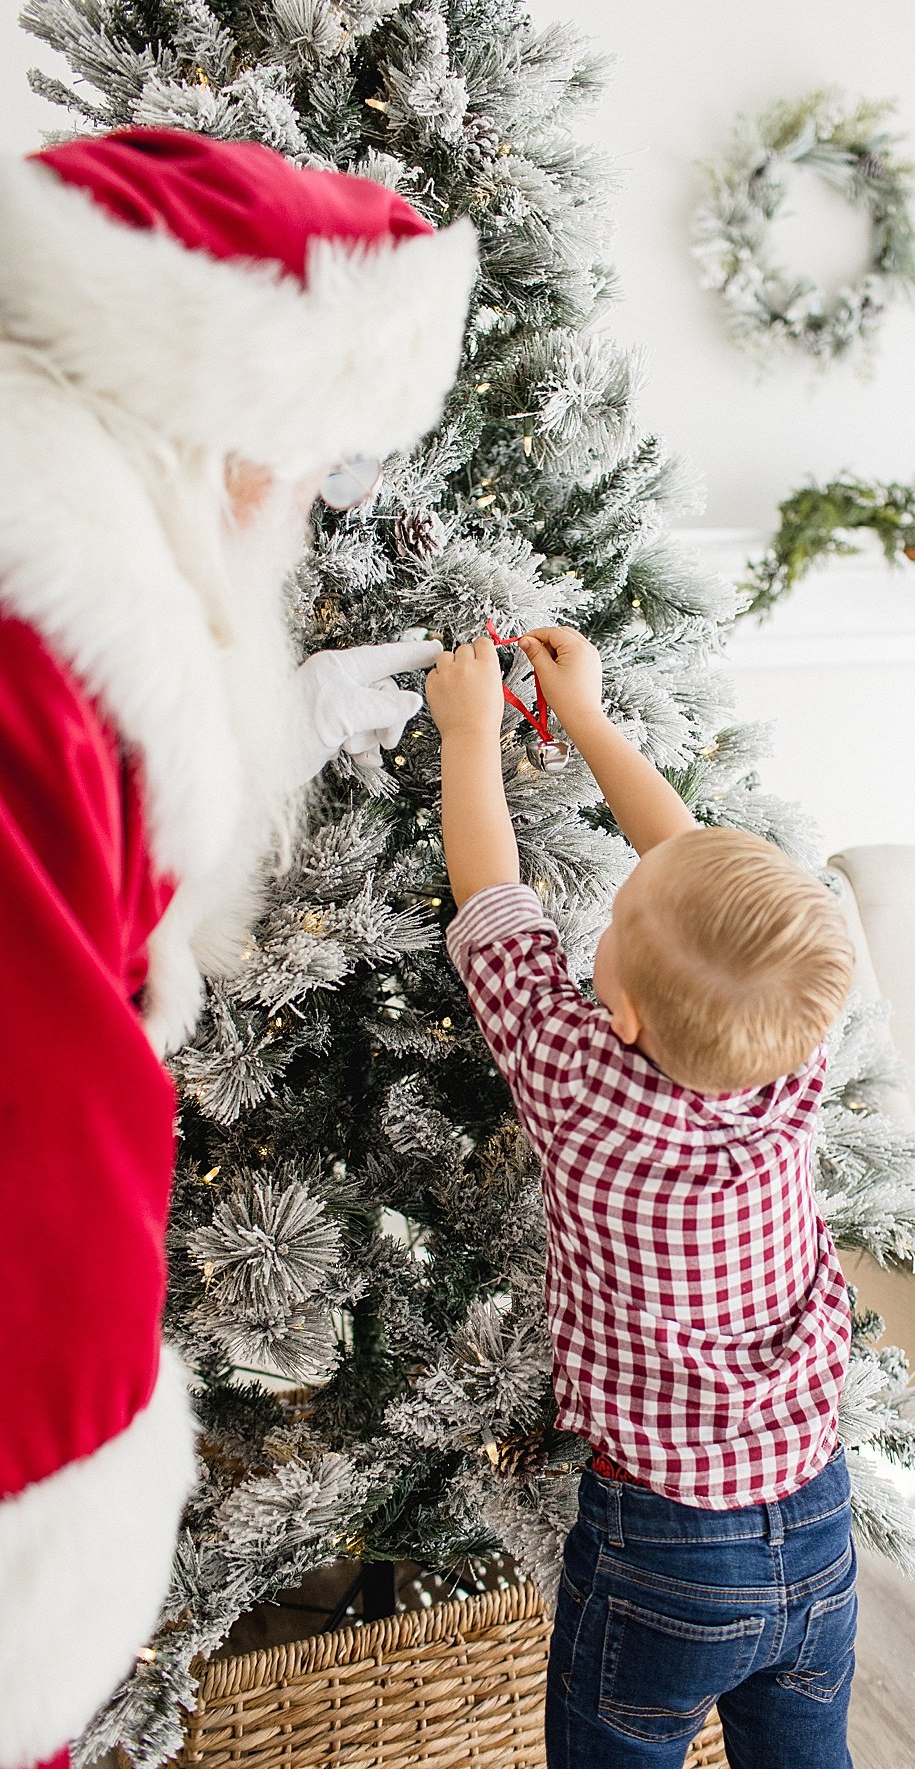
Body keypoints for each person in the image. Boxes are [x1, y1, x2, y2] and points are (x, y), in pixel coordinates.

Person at [0, 128, 475, 1769]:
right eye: (306, 456)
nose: (300, 512)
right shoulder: (44, 668)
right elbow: (37, 1157)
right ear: (219, 435)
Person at [425, 626, 859, 1769]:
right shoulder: (800, 1050)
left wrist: (470, 731)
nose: (599, 929)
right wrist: (595, 722)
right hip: (816, 1516)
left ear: (620, 1011)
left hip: (660, 1547)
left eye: (610, 927)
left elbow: (494, 901)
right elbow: (699, 872)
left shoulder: (576, 1079)